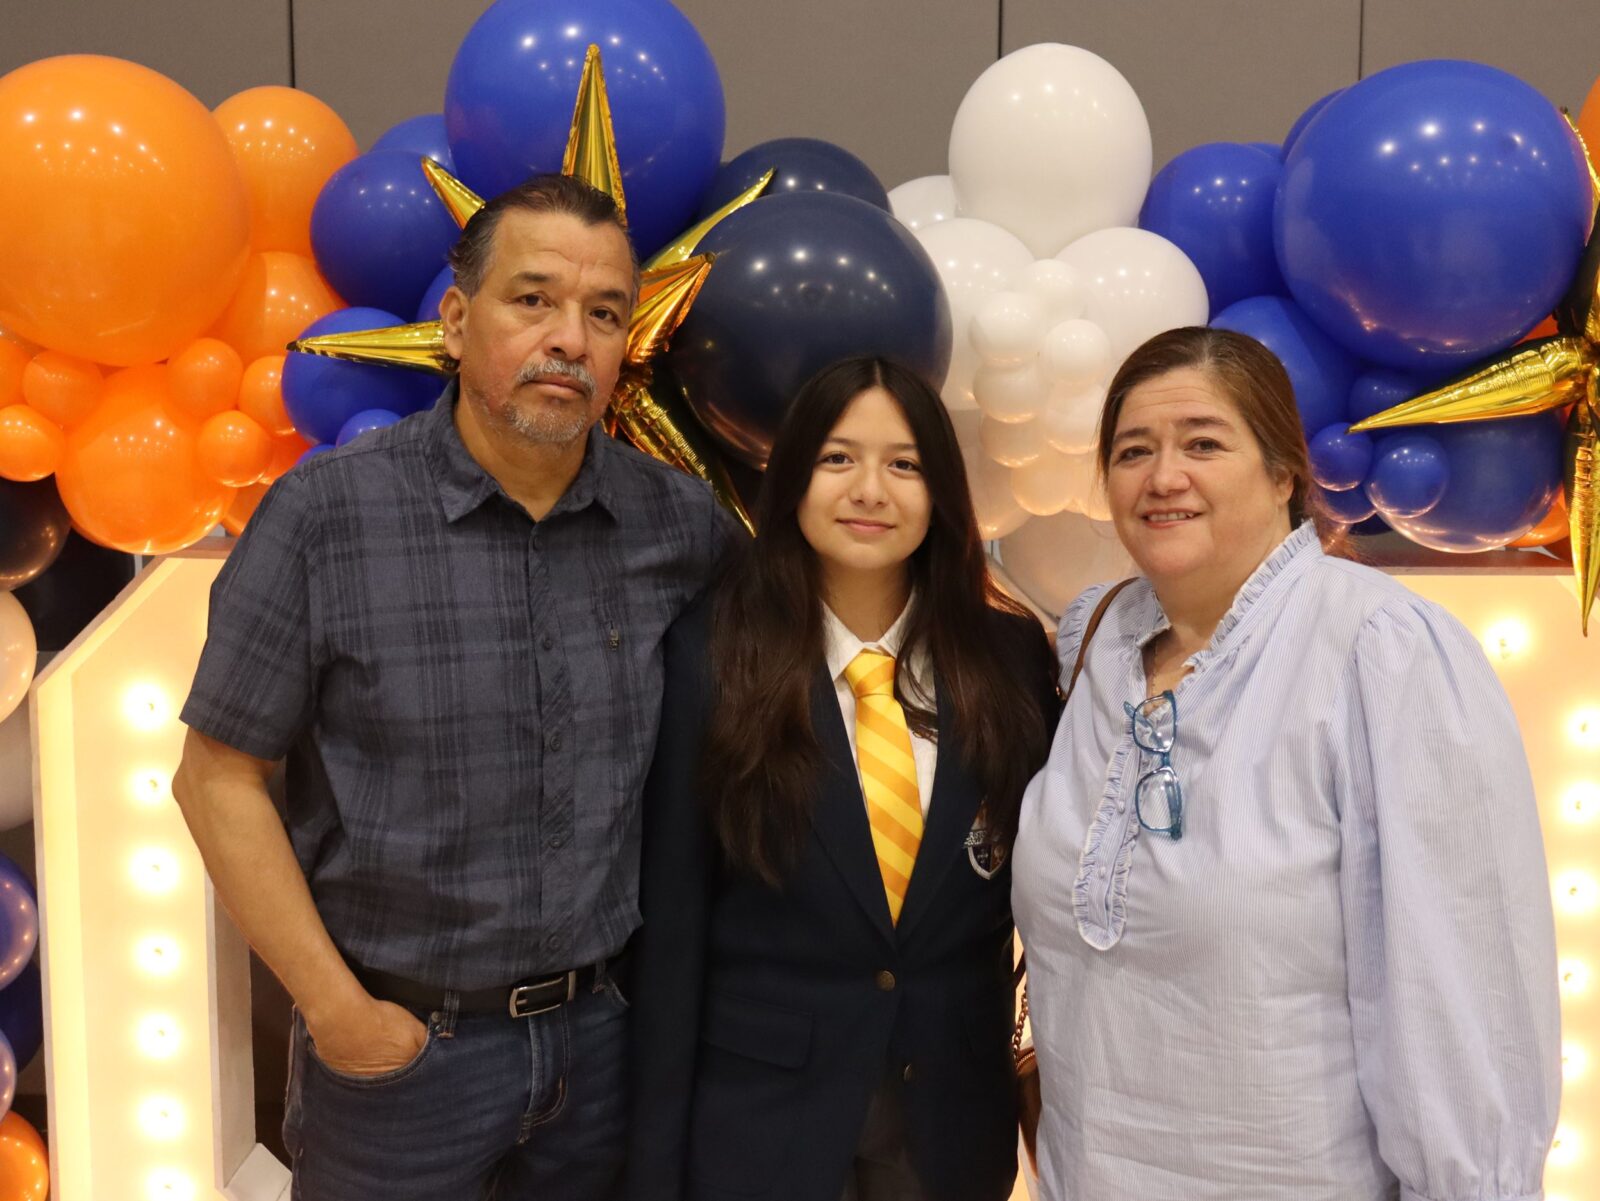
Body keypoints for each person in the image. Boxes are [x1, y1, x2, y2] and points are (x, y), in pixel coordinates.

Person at [173, 173, 736, 1200]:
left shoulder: (678, 525)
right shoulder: (327, 516)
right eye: (533, 299)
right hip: (398, 1059)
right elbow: (216, 779)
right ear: (457, 320)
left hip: (604, 1048)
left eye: (604, 313)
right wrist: (339, 1013)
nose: (568, 339)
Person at [1012, 326, 1560, 1200]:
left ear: (1282, 473)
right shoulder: (1096, 638)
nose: (1163, 476)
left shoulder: (1381, 651)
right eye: (1133, 450)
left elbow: (1459, 996)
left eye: (1203, 443)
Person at [624, 356, 1059, 1201]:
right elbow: (672, 935)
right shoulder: (711, 658)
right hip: (760, 1127)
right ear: (791, 477)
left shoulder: (1009, 660)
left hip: (950, 1124)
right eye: (837, 458)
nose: (870, 490)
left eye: (904, 464)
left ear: (941, 492)